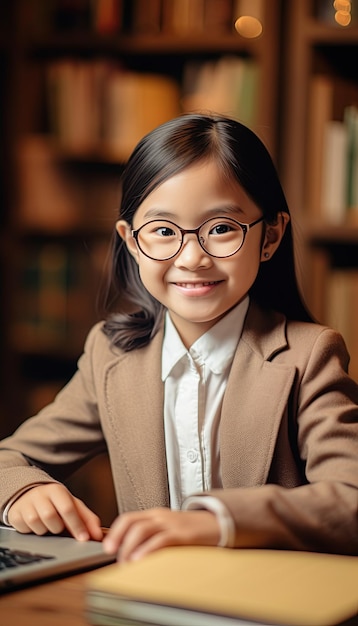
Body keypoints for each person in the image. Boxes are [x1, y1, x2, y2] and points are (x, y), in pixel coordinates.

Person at [0, 114, 357, 563]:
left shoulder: (310, 356)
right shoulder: (111, 355)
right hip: (149, 599)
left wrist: (218, 521)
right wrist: (24, 490)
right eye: (164, 231)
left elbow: (351, 499)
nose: (192, 258)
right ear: (131, 241)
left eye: (222, 228)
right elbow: (9, 458)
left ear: (270, 236)